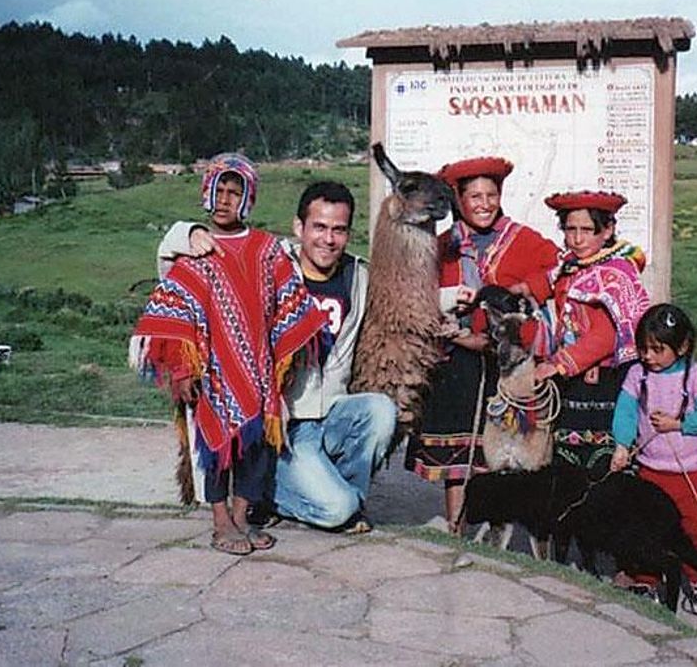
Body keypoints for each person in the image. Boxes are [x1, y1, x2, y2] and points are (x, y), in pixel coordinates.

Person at [157, 180, 397, 534]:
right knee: (336, 509)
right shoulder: (268, 262)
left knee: (380, 410)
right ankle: (279, 496)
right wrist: (186, 233)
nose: (328, 240)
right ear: (299, 227)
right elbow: (173, 272)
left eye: (338, 230)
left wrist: (463, 299)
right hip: (283, 424)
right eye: (319, 227)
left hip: (331, 411)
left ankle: (337, 501)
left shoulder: (357, 276)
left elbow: (405, 302)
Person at [131, 154, 327, 555]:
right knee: (218, 448)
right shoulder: (195, 253)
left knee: (257, 448)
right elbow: (175, 314)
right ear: (206, 192)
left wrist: (284, 358)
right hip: (213, 372)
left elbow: (289, 301)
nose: (224, 200)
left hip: (258, 368)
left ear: (248, 199)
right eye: (218, 190)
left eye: (234, 192)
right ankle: (220, 519)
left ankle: (241, 517)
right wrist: (183, 369)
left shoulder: (267, 250)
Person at [407, 156, 560, 533]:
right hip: (455, 356)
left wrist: (527, 289)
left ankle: (501, 529)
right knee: (458, 446)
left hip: (502, 359)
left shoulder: (523, 240)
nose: (484, 204)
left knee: (505, 449)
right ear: (459, 199)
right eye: (474, 196)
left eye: (491, 195)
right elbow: (422, 289)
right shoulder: (442, 246)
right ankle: (457, 525)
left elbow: (556, 267)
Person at [610, 303, 697, 615]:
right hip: (650, 468)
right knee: (648, 526)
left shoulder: (695, 376)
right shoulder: (638, 374)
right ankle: (647, 580)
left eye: (658, 350)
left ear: (682, 346)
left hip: (690, 471)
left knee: (691, 527)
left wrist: (679, 424)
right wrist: (622, 445)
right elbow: (626, 411)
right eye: (644, 349)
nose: (649, 357)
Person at [532, 190, 650, 476]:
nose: (577, 238)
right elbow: (544, 290)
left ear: (607, 230)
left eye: (587, 230)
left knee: (603, 460)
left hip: (608, 379)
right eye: (570, 229)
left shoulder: (617, 272)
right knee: (568, 459)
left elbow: (609, 333)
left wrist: (560, 363)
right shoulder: (568, 268)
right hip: (572, 379)